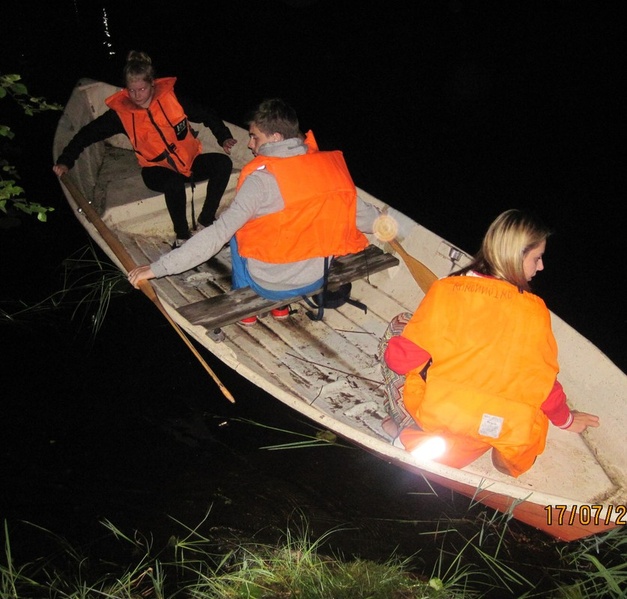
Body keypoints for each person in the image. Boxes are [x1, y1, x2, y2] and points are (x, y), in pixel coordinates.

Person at [379, 209, 600, 478]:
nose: (541, 266)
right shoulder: (536, 311)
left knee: (400, 326)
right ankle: (500, 452)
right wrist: (566, 420)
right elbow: (544, 384)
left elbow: (399, 361)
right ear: (514, 256)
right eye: (537, 258)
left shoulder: (446, 290)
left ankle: (406, 431)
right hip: (505, 428)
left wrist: (428, 349)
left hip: (445, 416)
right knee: (521, 403)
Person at [128, 97, 382, 325]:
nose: (249, 144)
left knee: (238, 231)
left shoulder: (260, 181)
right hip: (316, 277)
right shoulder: (329, 169)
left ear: (276, 138)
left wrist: (157, 269)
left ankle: (248, 311)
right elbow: (369, 219)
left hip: (271, 285)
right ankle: (280, 309)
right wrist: (388, 223)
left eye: (255, 137)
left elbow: (216, 235)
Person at [53, 50, 237, 246]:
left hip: (189, 162)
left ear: (152, 84)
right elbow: (87, 134)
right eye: (131, 90)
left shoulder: (172, 99)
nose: (136, 95)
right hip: (156, 170)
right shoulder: (121, 114)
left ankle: (206, 219)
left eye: (141, 89)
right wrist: (66, 161)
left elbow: (207, 114)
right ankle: (182, 235)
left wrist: (224, 137)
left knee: (222, 163)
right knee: (173, 183)